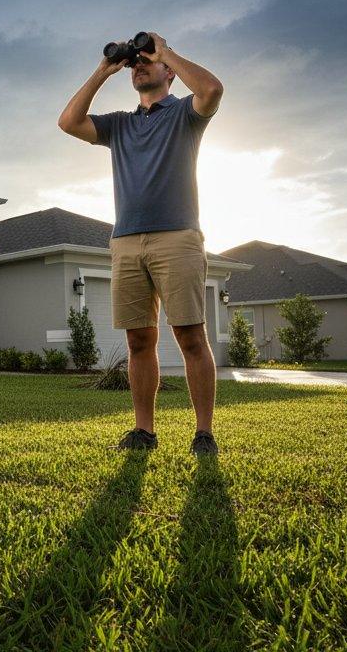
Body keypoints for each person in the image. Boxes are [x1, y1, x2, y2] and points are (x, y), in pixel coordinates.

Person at [57, 31, 224, 455]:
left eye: (147, 61)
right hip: (126, 241)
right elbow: (69, 121)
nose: (139, 66)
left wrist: (165, 51)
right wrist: (104, 69)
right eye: (135, 63)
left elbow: (211, 89)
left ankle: (204, 433)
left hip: (178, 237)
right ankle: (144, 431)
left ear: (169, 72)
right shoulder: (120, 124)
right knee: (138, 341)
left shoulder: (185, 114)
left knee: (190, 336)